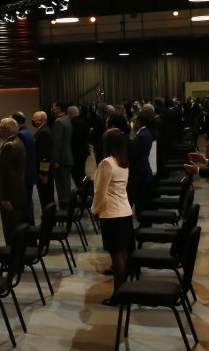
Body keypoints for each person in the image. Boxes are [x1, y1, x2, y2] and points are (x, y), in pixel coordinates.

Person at [92, 127, 133, 306]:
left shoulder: (107, 163)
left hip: (111, 213)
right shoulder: (123, 161)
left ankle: (119, 295)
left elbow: (100, 192)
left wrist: (95, 210)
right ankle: (124, 291)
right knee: (122, 254)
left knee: (116, 257)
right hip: (125, 211)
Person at [0, 117, 27, 245]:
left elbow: (8, 175)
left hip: (11, 197)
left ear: (7, 130)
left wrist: (4, 197)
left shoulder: (10, 146)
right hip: (16, 194)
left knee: (11, 229)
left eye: (1, 128)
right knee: (14, 227)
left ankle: (14, 259)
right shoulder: (16, 142)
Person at [12, 111, 38, 225]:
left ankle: (28, 227)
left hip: (24, 175)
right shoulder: (27, 132)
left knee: (25, 204)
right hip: (30, 173)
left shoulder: (20, 135)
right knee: (28, 202)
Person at [51, 101, 74, 209]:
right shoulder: (67, 119)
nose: (52, 109)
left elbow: (57, 143)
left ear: (59, 108)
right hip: (68, 155)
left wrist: (55, 160)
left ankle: (65, 210)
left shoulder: (58, 122)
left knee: (62, 187)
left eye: (54, 107)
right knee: (66, 185)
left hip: (62, 158)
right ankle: (68, 207)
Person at [32, 111, 56, 212]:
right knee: (46, 197)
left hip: (44, 172)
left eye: (34, 118)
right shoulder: (44, 130)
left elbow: (44, 155)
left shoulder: (43, 133)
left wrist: (43, 173)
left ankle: (49, 222)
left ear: (40, 120)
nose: (33, 120)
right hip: (44, 171)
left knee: (46, 198)